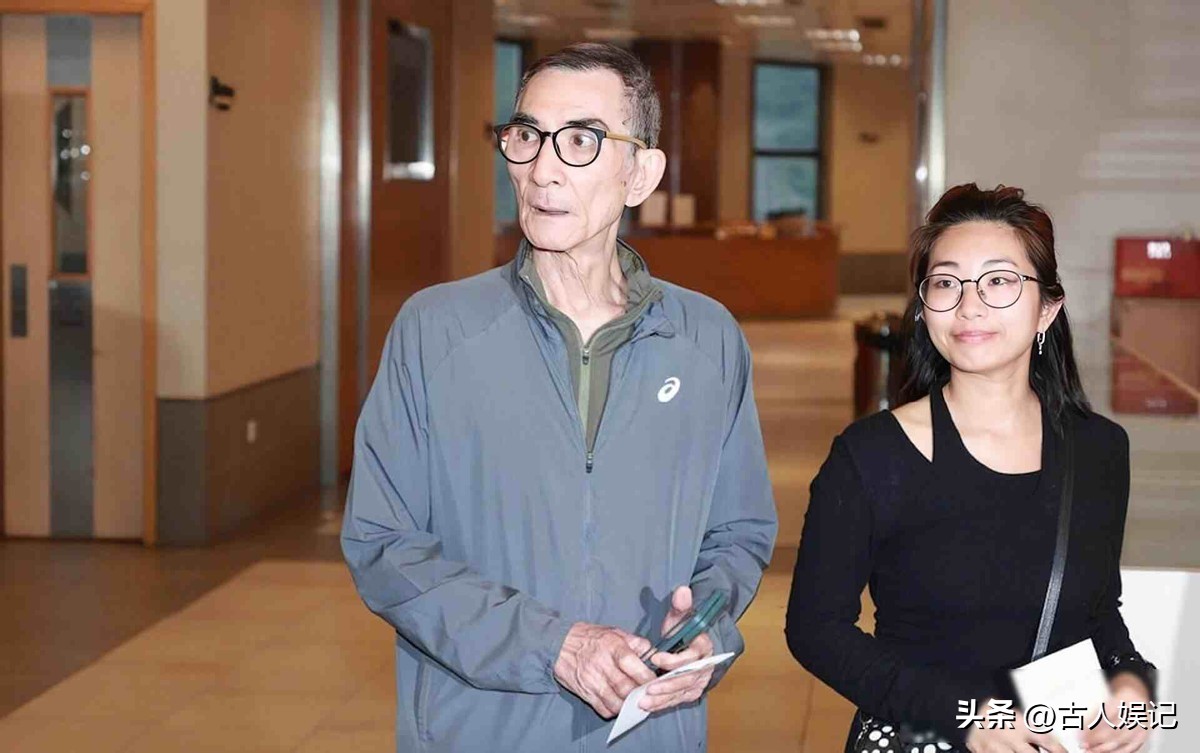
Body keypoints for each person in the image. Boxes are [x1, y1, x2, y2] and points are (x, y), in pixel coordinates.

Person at [341, 42, 777, 753]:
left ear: (641, 173)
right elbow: (383, 543)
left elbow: (739, 533)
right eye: (527, 136)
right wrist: (555, 645)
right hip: (476, 730)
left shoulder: (706, 340)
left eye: (580, 140)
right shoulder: (437, 330)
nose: (542, 169)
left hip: (648, 731)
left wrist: (705, 631)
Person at [785, 184, 1156, 753]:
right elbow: (816, 630)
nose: (969, 305)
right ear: (924, 307)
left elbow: (1099, 610)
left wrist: (1131, 681)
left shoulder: (1100, 449)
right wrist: (966, 716)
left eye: (999, 281)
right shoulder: (872, 456)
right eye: (945, 283)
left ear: (1048, 308)